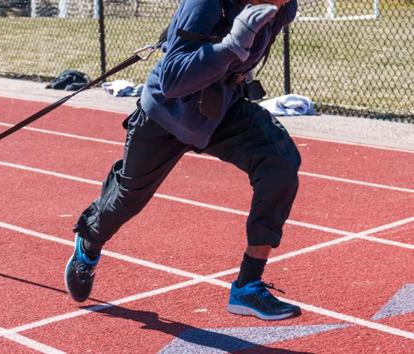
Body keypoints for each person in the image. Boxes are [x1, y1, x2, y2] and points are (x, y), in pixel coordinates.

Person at [65, 0, 302, 321]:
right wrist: (232, 44)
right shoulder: (206, 4)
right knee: (127, 198)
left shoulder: (282, 9)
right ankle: (89, 242)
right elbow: (173, 80)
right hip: (167, 114)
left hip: (220, 109)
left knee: (280, 163)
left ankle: (248, 286)